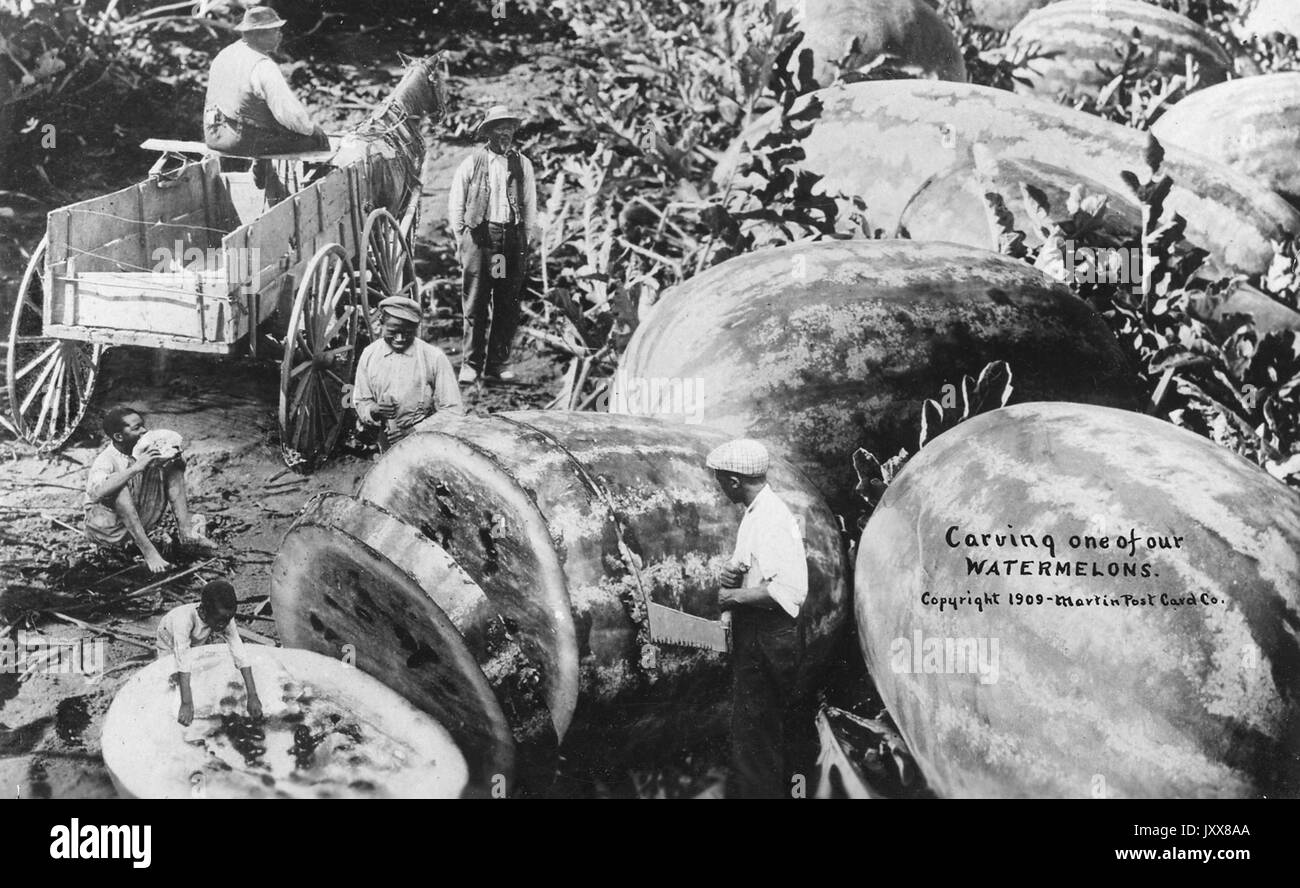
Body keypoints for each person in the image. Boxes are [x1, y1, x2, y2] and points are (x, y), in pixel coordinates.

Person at [706, 438, 810, 799]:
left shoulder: (773, 519)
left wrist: (731, 596)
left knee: (757, 735)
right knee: (753, 732)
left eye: (720, 479)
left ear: (734, 480)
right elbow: (752, 569)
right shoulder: (755, 515)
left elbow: (788, 590)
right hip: (757, 634)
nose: (719, 486)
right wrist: (733, 575)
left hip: (769, 636)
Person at [447, 105, 541, 385]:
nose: (505, 135)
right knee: (475, 301)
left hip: (509, 241)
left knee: (506, 302)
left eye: (509, 129)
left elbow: (530, 203)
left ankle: (498, 364)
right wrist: (461, 237)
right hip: (480, 239)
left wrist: (525, 238)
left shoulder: (522, 163)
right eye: (499, 129)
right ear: (488, 132)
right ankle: (470, 364)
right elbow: (456, 203)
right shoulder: (473, 163)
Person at [84, 405, 216, 575]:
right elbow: (98, 492)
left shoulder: (143, 449)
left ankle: (186, 533)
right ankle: (148, 551)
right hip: (109, 530)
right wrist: (136, 468)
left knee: (172, 468)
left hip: (139, 520)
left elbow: (177, 470)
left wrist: (175, 458)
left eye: (143, 425)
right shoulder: (106, 460)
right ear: (119, 436)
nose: (144, 431)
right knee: (117, 487)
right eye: (136, 428)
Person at [203, 6, 329, 157]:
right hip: (241, 140)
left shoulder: (225, 54)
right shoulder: (263, 65)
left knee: (269, 126)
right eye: (275, 31)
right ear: (258, 35)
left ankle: (266, 178)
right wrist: (312, 130)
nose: (280, 35)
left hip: (214, 135)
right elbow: (287, 113)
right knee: (317, 141)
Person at [352, 296, 464, 449]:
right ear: (381, 324)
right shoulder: (369, 355)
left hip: (427, 441)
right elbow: (361, 401)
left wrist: (414, 431)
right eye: (392, 331)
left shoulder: (433, 357)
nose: (399, 338)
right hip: (386, 441)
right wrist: (375, 410)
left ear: (417, 328)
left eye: (408, 332)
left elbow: (453, 410)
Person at [157, 580, 262, 727]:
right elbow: (183, 660)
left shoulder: (223, 618)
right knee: (171, 677)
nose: (224, 625)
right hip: (169, 640)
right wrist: (187, 703)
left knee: (198, 671)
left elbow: (239, 652)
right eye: (220, 621)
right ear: (203, 611)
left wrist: (253, 695)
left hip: (195, 639)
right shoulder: (184, 620)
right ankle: (173, 710)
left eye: (228, 619)